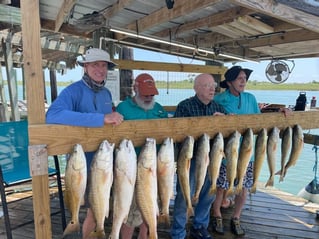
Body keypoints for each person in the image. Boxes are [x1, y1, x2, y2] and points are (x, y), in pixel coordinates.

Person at [46, 47, 124, 239]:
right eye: (95, 65)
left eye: (104, 65)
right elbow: (52, 115)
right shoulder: (73, 91)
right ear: (85, 67)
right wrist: (100, 119)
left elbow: (108, 118)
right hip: (81, 164)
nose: (100, 69)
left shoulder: (106, 93)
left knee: (101, 207)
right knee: (92, 209)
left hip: (105, 162)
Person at [211, 65, 291, 236]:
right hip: (226, 154)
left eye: (245, 78)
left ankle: (236, 217)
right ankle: (216, 214)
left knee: (244, 187)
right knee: (220, 187)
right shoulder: (219, 100)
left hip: (248, 153)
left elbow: (260, 116)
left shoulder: (250, 98)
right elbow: (212, 122)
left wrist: (279, 111)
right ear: (230, 82)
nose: (243, 81)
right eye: (239, 78)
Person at [171, 73, 226, 239]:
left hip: (212, 158)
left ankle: (199, 227)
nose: (212, 88)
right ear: (196, 88)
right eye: (207, 85)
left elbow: (227, 133)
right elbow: (178, 133)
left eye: (213, 85)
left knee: (209, 194)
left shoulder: (218, 108)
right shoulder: (184, 106)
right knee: (183, 196)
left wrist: (225, 121)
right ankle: (178, 232)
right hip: (189, 159)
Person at [116, 73, 168, 239]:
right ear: (135, 89)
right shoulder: (123, 108)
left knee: (151, 207)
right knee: (129, 212)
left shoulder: (160, 109)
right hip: (129, 169)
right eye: (145, 94)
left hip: (154, 168)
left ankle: (146, 235)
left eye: (152, 94)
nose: (149, 97)